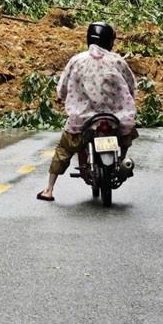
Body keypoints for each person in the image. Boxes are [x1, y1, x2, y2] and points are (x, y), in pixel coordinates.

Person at [37, 22, 137, 202]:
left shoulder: (77, 60)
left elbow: (63, 87)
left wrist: (61, 96)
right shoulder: (117, 61)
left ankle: (49, 189)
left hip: (82, 118)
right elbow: (131, 85)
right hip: (116, 117)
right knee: (127, 137)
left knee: (64, 149)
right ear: (109, 41)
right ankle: (122, 160)